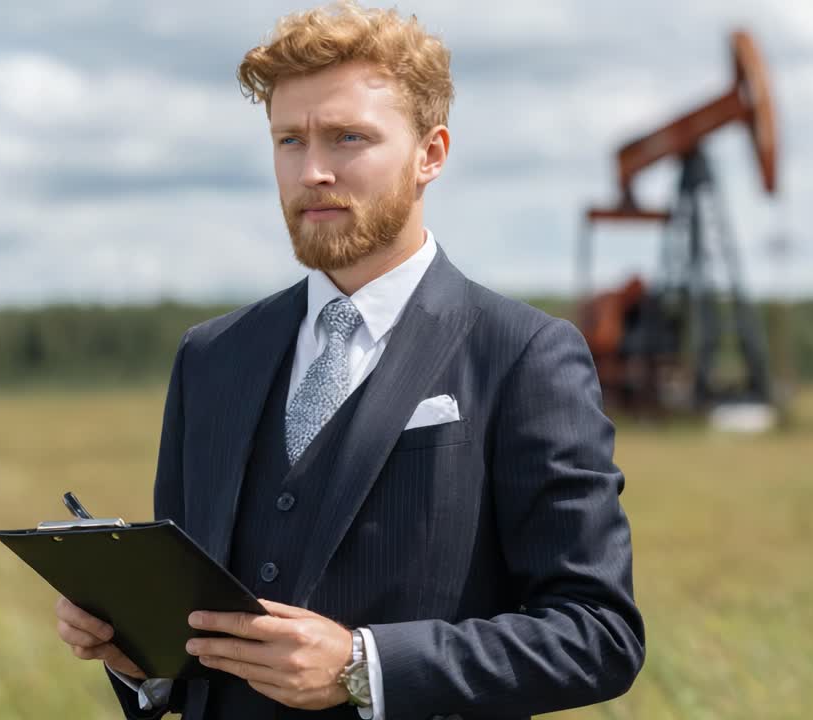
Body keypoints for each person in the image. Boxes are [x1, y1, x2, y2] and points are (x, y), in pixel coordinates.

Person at [53, 2, 644, 718]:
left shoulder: (522, 355)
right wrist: (138, 658)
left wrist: (364, 669)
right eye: (289, 141)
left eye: (348, 139)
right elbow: (193, 646)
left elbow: (597, 634)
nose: (313, 172)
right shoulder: (210, 357)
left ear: (431, 154)